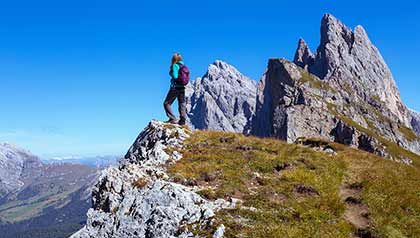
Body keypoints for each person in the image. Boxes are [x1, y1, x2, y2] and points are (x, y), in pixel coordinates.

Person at [163, 53, 188, 125]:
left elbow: (175, 76)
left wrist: (171, 73)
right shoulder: (183, 66)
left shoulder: (175, 65)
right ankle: (182, 121)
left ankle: (172, 119)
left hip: (175, 87)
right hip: (182, 88)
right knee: (182, 104)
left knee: (166, 103)